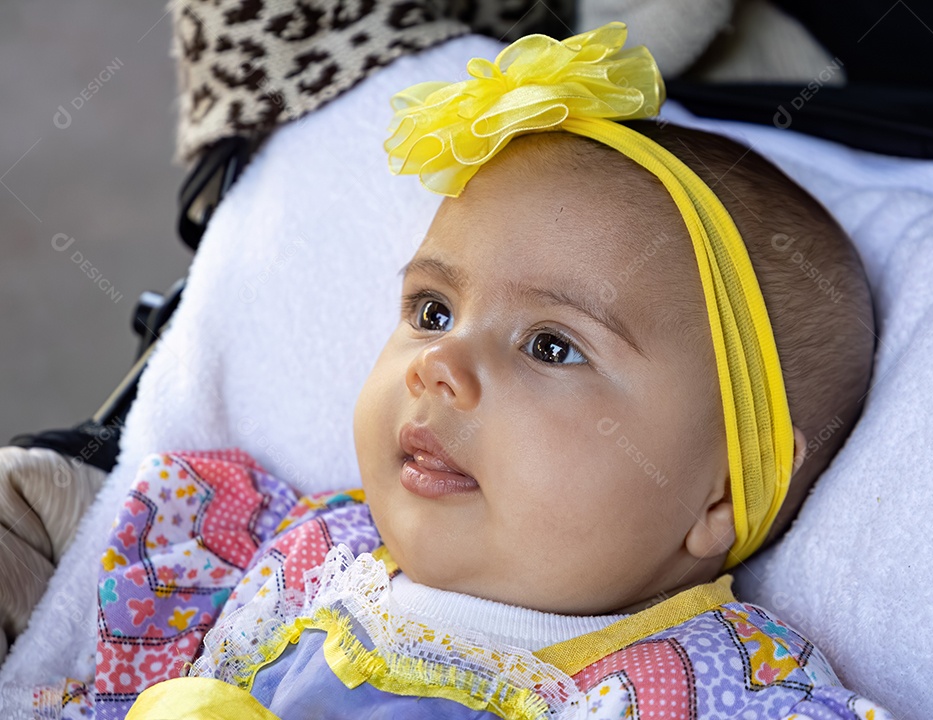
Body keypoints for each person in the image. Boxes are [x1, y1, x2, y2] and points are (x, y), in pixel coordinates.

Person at [60, 23, 887, 720]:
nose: (439, 365)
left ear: (721, 495)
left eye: (552, 346)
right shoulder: (300, 550)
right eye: (431, 312)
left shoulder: (712, 688)